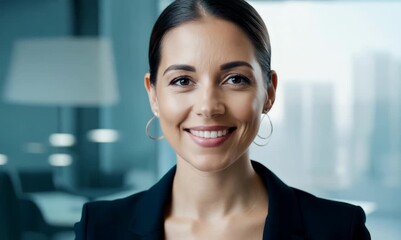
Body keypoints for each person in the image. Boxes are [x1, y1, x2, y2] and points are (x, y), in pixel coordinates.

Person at [74, 0, 371, 239]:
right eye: (181, 81)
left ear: (268, 92)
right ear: (153, 95)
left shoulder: (338, 229)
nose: (208, 106)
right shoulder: (99, 228)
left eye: (235, 79)